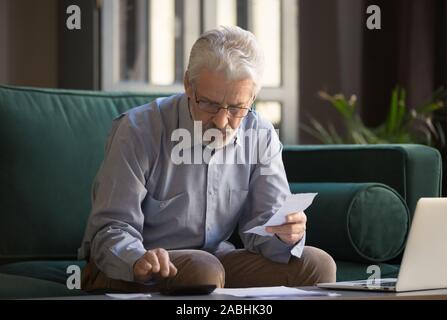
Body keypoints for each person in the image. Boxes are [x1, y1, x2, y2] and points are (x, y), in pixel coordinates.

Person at [78, 26, 336, 292]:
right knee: (203, 270)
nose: (222, 121)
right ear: (188, 84)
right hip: (131, 266)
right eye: (210, 104)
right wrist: (136, 258)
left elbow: (264, 228)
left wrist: (284, 235)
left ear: (252, 97)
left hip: (214, 263)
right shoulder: (138, 130)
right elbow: (110, 228)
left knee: (317, 265)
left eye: (237, 108)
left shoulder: (260, 134)